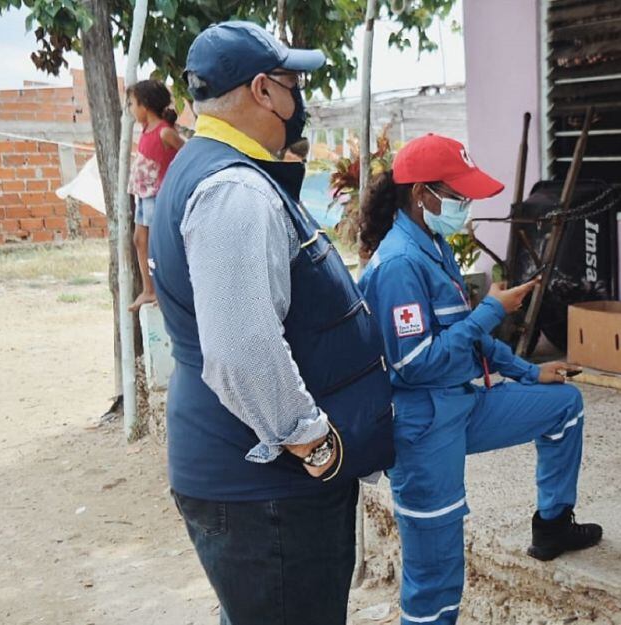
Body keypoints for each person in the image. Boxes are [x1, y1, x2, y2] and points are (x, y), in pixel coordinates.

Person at [149, 22, 394, 624]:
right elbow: (240, 348)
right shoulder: (233, 188)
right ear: (262, 91)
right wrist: (314, 441)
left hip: (253, 485)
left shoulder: (211, 168)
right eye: (293, 84)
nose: (299, 99)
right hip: (268, 494)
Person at [357, 134, 603, 625]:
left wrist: (530, 371)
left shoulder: (433, 244)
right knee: (437, 576)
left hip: (461, 405)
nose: (465, 206)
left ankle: (552, 525)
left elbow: (463, 336)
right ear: (422, 193)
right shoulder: (400, 264)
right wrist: (491, 310)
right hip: (424, 427)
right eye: (458, 195)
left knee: (563, 405)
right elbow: (414, 364)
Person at [127, 79, 184, 313]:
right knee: (140, 240)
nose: (130, 109)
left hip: (157, 195)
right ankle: (148, 289)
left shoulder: (165, 132)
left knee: (158, 244)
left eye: (132, 104)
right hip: (143, 195)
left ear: (145, 105)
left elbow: (187, 153)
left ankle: (164, 290)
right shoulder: (146, 130)